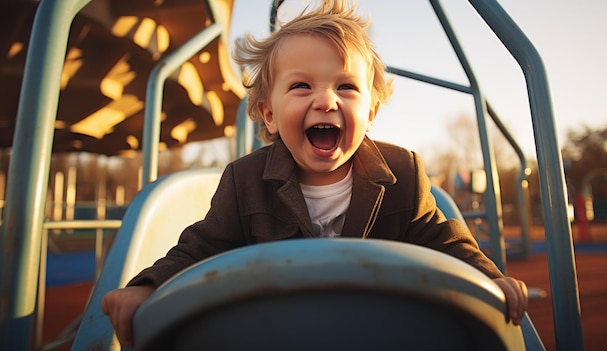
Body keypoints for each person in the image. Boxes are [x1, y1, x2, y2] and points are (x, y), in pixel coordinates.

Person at [101, 0, 528, 347]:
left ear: (371, 111)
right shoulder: (243, 180)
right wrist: (147, 285)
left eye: (346, 87)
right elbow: (200, 247)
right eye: (302, 86)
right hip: (281, 330)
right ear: (268, 114)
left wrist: (490, 278)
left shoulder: (404, 173)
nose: (326, 100)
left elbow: (443, 239)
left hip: (378, 331)